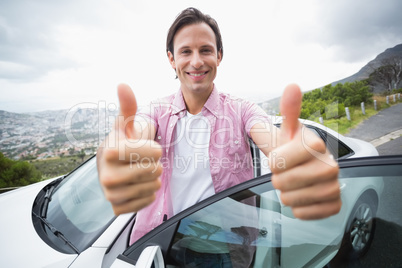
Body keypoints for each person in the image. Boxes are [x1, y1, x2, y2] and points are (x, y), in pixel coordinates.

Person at [97, 7, 341, 246]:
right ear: (171, 59)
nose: (196, 61)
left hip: (225, 248)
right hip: (160, 244)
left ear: (219, 56)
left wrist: (296, 158)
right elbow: (136, 135)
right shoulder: (156, 111)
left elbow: (273, 140)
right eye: (185, 51)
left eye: (205, 50)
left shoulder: (242, 110)